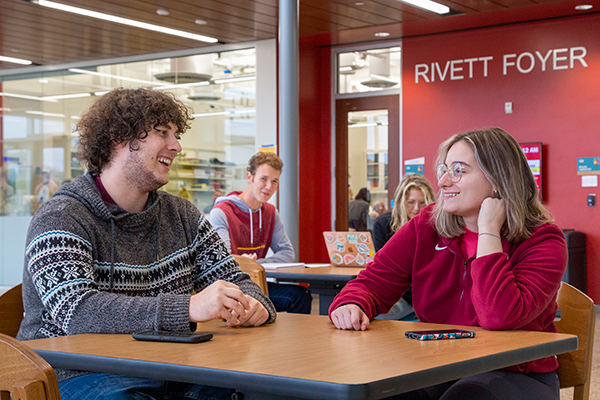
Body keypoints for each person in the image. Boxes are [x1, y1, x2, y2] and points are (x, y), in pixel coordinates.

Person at [17, 88, 276, 400]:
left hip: (167, 368)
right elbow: (78, 311)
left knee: (261, 390)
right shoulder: (61, 217)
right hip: (75, 374)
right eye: (162, 133)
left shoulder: (182, 216)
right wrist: (189, 307)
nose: (176, 146)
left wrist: (253, 306)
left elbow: (236, 280)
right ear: (119, 138)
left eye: (176, 134)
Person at [329, 127, 567, 400]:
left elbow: (499, 316)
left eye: (458, 170)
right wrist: (353, 303)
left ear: (498, 179)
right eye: (444, 169)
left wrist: (488, 230)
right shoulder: (425, 226)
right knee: (377, 391)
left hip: (515, 373)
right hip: (436, 365)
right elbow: (372, 282)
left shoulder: (544, 240)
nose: (442, 182)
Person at [209, 152, 312, 314]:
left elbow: (287, 253)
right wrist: (244, 263)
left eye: (274, 181)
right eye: (263, 179)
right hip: (229, 287)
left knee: (300, 295)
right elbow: (222, 261)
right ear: (250, 177)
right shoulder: (221, 212)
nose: (268, 187)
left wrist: (256, 264)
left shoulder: (271, 212)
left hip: (257, 283)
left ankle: (293, 339)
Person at [372, 173, 435, 320]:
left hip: (426, 292)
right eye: (410, 202)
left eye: (422, 203)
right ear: (400, 202)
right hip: (398, 291)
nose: (416, 208)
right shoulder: (384, 224)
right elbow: (385, 271)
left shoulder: (436, 226)